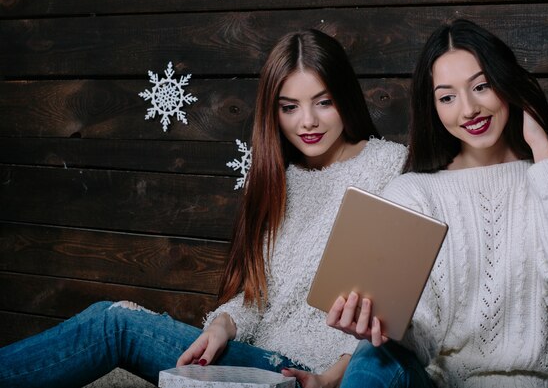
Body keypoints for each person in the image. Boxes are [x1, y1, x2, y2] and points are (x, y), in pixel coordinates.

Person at [0, 29, 407, 388]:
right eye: (289, 107)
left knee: (116, 325)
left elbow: (404, 309)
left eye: (323, 102)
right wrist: (222, 325)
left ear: (345, 98)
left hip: (314, 374)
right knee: (113, 317)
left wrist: (331, 377)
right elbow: (257, 297)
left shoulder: (390, 166)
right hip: (255, 362)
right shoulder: (278, 178)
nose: (308, 122)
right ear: (274, 111)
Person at [327, 19, 548, 388]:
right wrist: (375, 327)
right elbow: (423, 341)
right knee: (372, 358)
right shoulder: (413, 192)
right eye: (447, 97)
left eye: (481, 86)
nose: (469, 109)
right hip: (443, 385)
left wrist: (543, 152)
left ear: (507, 85)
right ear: (433, 108)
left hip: (545, 383)